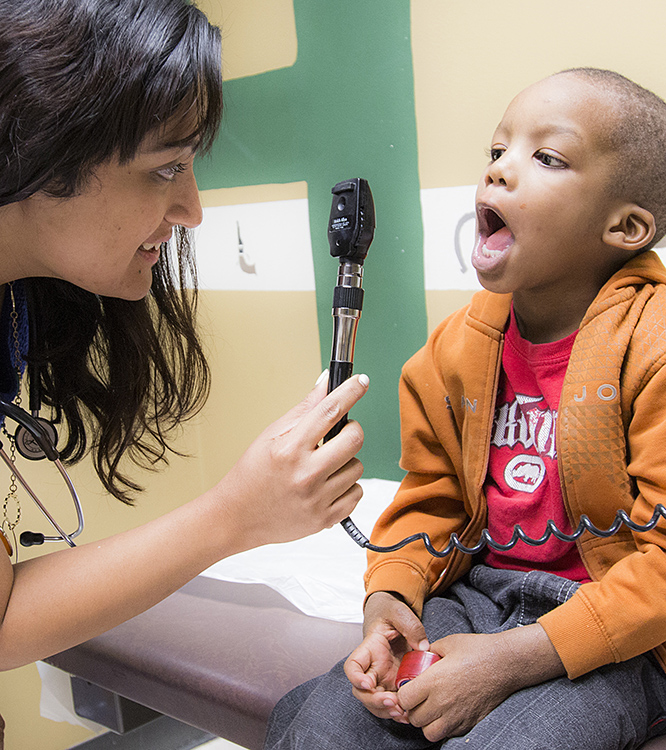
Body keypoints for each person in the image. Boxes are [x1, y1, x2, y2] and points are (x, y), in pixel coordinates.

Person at [263, 68, 666, 749]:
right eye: (497, 151)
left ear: (624, 227)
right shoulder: (456, 349)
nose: (500, 172)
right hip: (477, 598)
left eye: (547, 157)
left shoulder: (653, 347)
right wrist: (389, 599)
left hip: (616, 637)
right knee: (320, 726)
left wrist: (515, 660)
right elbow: (434, 496)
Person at [0, 0, 369, 739]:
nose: (192, 209)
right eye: (164, 167)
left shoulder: (23, 308)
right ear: (33, 149)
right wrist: (238, 514)